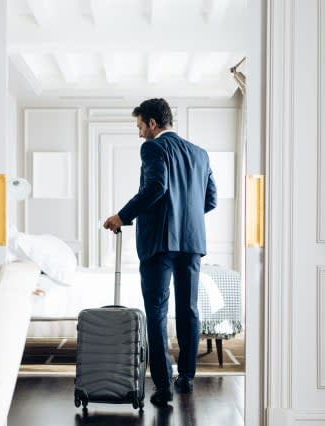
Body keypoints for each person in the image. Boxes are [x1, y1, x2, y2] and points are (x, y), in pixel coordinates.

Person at [103, 98, 217, 407]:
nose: (140, 133)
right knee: (189, 310)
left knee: (156, 310)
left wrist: (122, 216)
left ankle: (164, 385)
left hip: (159, 243)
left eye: (140, 126)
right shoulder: (200, 154)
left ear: (153, 123)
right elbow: (211, 200)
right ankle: (188, 377)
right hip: (192, 243)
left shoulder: (153, 148)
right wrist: (186, 216)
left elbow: (155, 187)